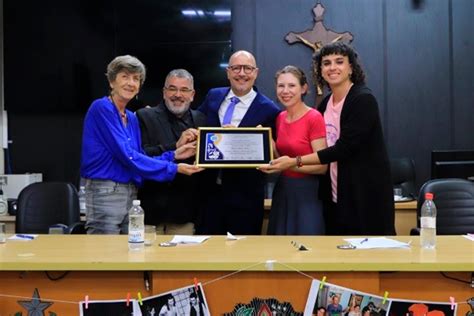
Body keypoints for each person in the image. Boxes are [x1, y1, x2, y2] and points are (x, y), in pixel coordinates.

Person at [260, 42, 395, 235]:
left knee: (369, 255)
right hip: (334, 192)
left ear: (351, 68)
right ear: (320, 70)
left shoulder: (363, 100)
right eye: (326, 63)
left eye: (339, 62)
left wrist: (294, 161)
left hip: (363, 191)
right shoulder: (325, 104)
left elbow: (343, 149)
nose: (332, 67)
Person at [80, 55, 202, 235]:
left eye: (136, 78)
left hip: (131, 193)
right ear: (112, 81)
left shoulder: (130, 117)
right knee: (104, 256)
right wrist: (174, 168)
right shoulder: (102, 108)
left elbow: (141, 156)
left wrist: (174, 154)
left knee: (126, 256)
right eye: (125, 76)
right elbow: (129, 157)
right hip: (106, 192)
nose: (131, 82)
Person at [198, 50, 281, 235]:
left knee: (244, 254)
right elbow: (198, 126)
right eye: (236, 68)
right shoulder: (213, 96)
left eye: (247, 68)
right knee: (207, 254)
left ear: (256, 73)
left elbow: (275, 155)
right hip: (210, 194)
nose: (242, 73)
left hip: (247, 198)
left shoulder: (270, 110)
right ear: (228, 72)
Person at [136, 69, 206, 235]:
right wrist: (175, 145)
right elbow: (140, 157)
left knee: (182, 261)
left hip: (185, 215)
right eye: (172, 89)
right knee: (144, 260)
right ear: (164, 92)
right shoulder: (144, 116)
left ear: (192, 94)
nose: (177, 94)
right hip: (150, 214)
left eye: (184, 90)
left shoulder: (202, 120)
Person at [260, 65, 327, 235]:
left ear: (303, 88)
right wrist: (264, 138)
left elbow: (322, 166)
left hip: (307, 193)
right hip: (283, 189)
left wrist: (287, 166)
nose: (285, 91)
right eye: (281, 86)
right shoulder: (280, 118)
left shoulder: (314, 117)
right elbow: (280, 157)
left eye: (291, 85)